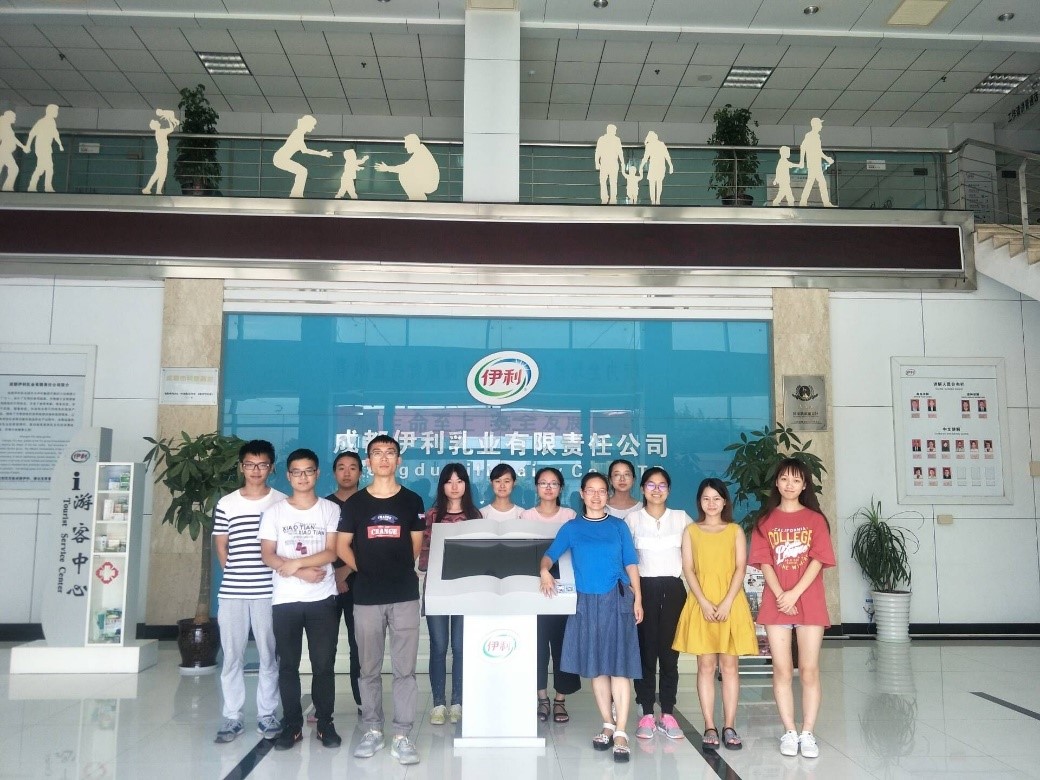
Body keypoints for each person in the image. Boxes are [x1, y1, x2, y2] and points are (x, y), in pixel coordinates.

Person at [539, 472, 642, 764]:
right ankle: (607, 724)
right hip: (586, 602)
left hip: (617, 598)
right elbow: (550, 555)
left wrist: (638, 598)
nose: (596, 496)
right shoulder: (572, 528)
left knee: (619, 668)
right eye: (590, 491)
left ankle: (621, 732)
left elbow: (631, 563)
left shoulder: (619, 526)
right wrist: (544, 570)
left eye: (601, 491)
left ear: (607, 495)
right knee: (597, 669)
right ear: (582, 494)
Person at [336, 435, 425, 766]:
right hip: (367, 596)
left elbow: (415, 546)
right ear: (369, 462)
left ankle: (402, 735)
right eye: (377, 453)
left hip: (403, 595)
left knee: (405, 671)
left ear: (398, 460)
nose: (384, 458)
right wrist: (366, 568)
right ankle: (372, 729)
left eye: (390, 453)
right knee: (368, 668)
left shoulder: (412, 500)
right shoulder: (355, 503)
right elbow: (341, 546)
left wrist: (392, 570)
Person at [748, 458, 835, 759]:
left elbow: (819, 560)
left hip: (809, 601)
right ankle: (789, 730)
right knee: (782, 669)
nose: (789, 485)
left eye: (796, 480)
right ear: (776, 482)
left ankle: (807, 732)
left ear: (804, 485)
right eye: (785, 478)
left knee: (809, 670)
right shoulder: (765, 521)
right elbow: (764, 562)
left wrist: (794, 593)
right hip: (777, 603)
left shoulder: (815, 520)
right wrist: (781, 595)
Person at [258, 448, 341, 751]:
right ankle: (292, 725)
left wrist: (295, 564)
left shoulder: (330, 509)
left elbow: (331, 551)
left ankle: (325, 723)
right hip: (286, 600)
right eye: (296, 472)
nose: (302, 477)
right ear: (288, 475)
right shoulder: (275, 512)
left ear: (317, 474)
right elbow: (267, 554)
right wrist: (301, 571)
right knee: (288, 666)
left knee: (323, 665)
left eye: (308, 471)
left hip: (323, 599)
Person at [672, 478, 758, 750]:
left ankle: (729, 725)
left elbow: (740, 568)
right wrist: (704, 602)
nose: (711, 503)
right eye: (706, 498)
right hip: (702, 603)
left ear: (724, 502)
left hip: (730, 603)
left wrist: (727, 602)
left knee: (730, 667)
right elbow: (688, 569)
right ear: (699, 502)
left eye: (716, 498)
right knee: (706, 666)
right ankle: (709, 725)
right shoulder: (691, 531)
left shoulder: (734, 530)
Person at [212, 440, 287, 744]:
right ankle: (232, 716)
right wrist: (236, 573)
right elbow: (221, 545)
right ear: (241, 467)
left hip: (270, 591)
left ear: (271, 467)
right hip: (233, 592)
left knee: (269, 654)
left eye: (262, 464)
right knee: (232, 656)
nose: (256, 470)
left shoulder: (281, 502)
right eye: (250, 464)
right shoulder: (227, 503)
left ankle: (267, 714)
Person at [625, 467, 692, 741]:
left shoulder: (681, 518)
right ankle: (646, 712)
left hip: (674, 590)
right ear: (642, 489)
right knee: (645, 653)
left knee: (669, 654)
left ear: (669, 490)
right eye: (650, 485)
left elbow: (692, 557)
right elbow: (626, 560)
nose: (656, 490)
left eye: (662, 485)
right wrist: (634, 594)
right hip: (643, 590)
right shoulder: (632, 519)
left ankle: (667, 712)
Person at [417, 463, 481, 725]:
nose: (454, 486)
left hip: (466, 589)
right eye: (449, 481)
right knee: (439, 645)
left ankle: (457, 702)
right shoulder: (432, 516)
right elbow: (423, 555)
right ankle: (438, 704)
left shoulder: (475, 516)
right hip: (437, 588)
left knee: (461, 647)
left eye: (459, 481)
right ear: (442, 485)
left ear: (466, 485)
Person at [520, 467, 580, 723]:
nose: (548, 487)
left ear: (560, 488)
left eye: (553, 483)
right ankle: (542, 698)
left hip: (564, 588)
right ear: (536, 487)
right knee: (536, 646)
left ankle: (560, 700)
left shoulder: (570, 516)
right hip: (534, 586)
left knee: (563, 645)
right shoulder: (526, 516)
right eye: (543, 483)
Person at [323, 451, 364, 717]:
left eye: (352, 467)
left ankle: (362, 702)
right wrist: (334, 575)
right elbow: (319, 545)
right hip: (325, 584)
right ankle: (322, 704)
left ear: (361, 472)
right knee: (324, 648)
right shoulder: (324, 505)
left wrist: (345, 571)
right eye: (341, 467)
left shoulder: (368, 502)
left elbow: (371, 544)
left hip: (360, 582)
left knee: (358, 646)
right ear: (334, 472)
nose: (347, 473)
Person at [272, 114, 332, 198]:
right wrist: (320, 153)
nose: (313, 128)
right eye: (313, 125)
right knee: (302, 171)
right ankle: (296, 195)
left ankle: (296, 194)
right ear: (307, 124)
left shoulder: (299, 132)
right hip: (280, 159)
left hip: (280, 158)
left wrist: (320, 153)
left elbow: (304, 150)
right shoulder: (298, 133)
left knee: (302, 171)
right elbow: (305, 150)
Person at [374, 134, 440, 201]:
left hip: (429, 184)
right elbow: (407, 166)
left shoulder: (420, 154)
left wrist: (387, 168)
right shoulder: (421, 151)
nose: (405, 146)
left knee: (404, 174)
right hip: (428, 182)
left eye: (407, 144)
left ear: (413, 143)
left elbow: (404, 168)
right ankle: (418, 197)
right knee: (405, 172)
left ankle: (418, 198)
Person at [141, 108, 179, 195]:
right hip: (162, 154)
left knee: (161, 174)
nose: (158, 122)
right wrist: (169, 119)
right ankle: (149, 188)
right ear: (155, 125)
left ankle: (157, 190)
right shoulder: (160, 132)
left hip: (162, 154)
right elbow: (171, 129)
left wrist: (169, 119)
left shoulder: (159, 132)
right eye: (156, 122)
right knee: (159, 173)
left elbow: (170, 129)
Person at [797, 117, 833, 207]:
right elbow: (803, 147)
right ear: (815, 125)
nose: (821, 126)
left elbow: (818, 150)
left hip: (815, 163)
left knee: (812, 182)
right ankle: (825, 203)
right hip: (813, 163)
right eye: (820, 124)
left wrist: (826, 158)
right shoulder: (810, 135)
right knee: (819, 182)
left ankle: (803, 201)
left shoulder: (816, 136)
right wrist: (801, 161)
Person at [26, 104, 63, 193]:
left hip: (47, 148)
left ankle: (34, 186)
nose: (57, 113)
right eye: (56, 111)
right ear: (50, 111)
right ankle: (46, 187)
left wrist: (60, 144)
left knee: (42, 168)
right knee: (47, 167)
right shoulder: (42, 122)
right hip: (41, 148)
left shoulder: (52, 122)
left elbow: (55, 134)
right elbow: (32, 133)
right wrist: (28, 145)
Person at [594, 124, 625, 204]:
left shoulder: (608, 139)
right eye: (614, 131)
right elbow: (598, 152)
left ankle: (609, 198)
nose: (615, 132)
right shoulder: (608, 139)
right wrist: (597, 162)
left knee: (608, 182)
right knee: (609, 182)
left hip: (608, 163)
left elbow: (620, 152)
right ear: (611, 130)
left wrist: (622, 162)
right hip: (608, 163)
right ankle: (609, 199)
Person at [0, 110, 29, 192]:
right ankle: (7, 188)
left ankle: (7, 188)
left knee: (13, 169)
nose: (15, 119)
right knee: (14, 169)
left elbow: (13, 138)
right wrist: (23, 147)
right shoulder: (4, 126)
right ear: (9, 117)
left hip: (5, 152)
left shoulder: (7, 126)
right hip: (3, 152)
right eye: (14, 117)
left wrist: (23, 147)